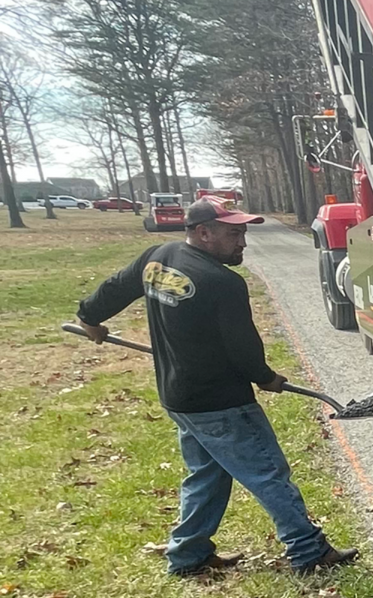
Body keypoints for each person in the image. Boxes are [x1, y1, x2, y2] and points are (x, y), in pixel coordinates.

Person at [74, 200, 357, 578]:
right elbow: (242, 349)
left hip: (180, 398)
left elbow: (115, 287)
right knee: (268, 473)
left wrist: (90, 316)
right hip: (221, 403)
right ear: (203, 232)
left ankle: (187, 555)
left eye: (242, 233)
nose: (242, 243)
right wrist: (265, 377)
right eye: (233, 234)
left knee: (207, 474)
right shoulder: (222, 282)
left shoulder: (160, 256)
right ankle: (308, 551)